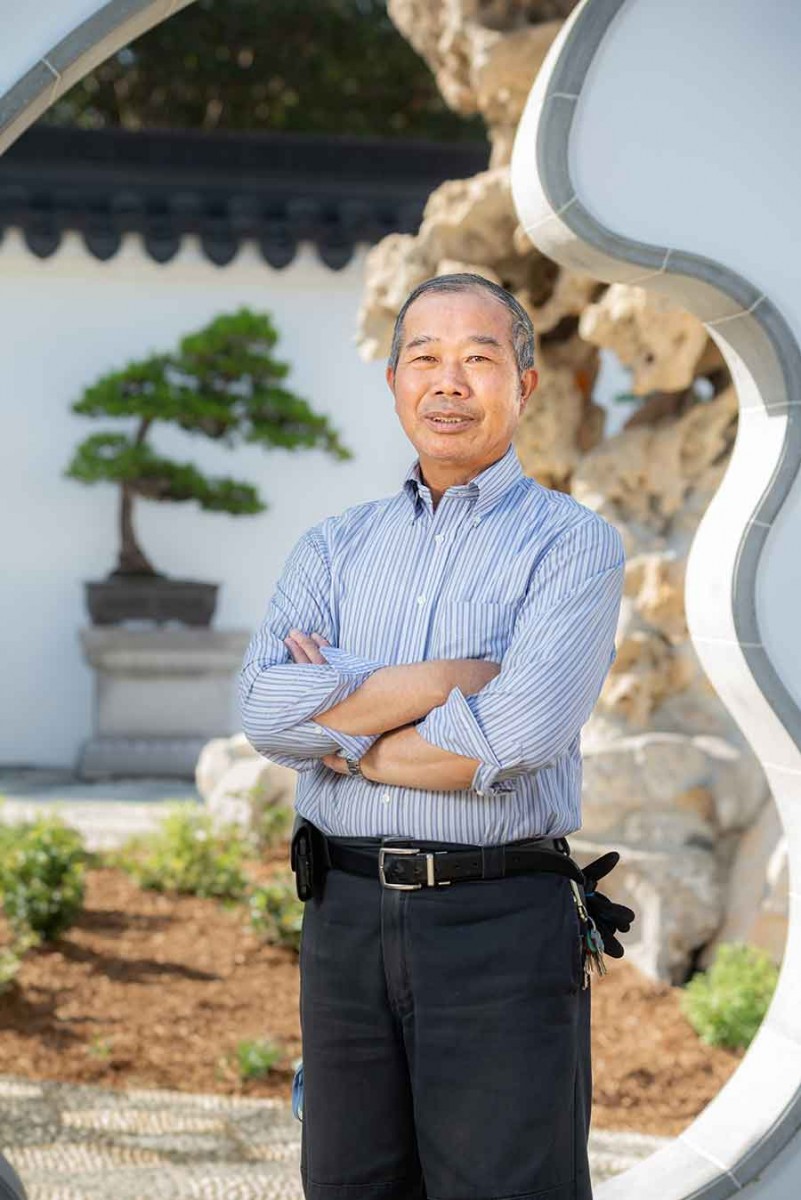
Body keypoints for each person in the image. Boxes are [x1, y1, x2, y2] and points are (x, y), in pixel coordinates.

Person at [238, 273, 627, 1200]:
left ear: (524, 385)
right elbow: (262, 713)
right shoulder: (333, 546)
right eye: (425, 358)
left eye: (477, 358)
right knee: (348, 1184)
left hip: (496, 925)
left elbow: (514, 734)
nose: (447, 381)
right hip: (344, 916)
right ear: (394, 381)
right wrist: (443, 683)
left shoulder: (571, 545)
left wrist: (336, 728)